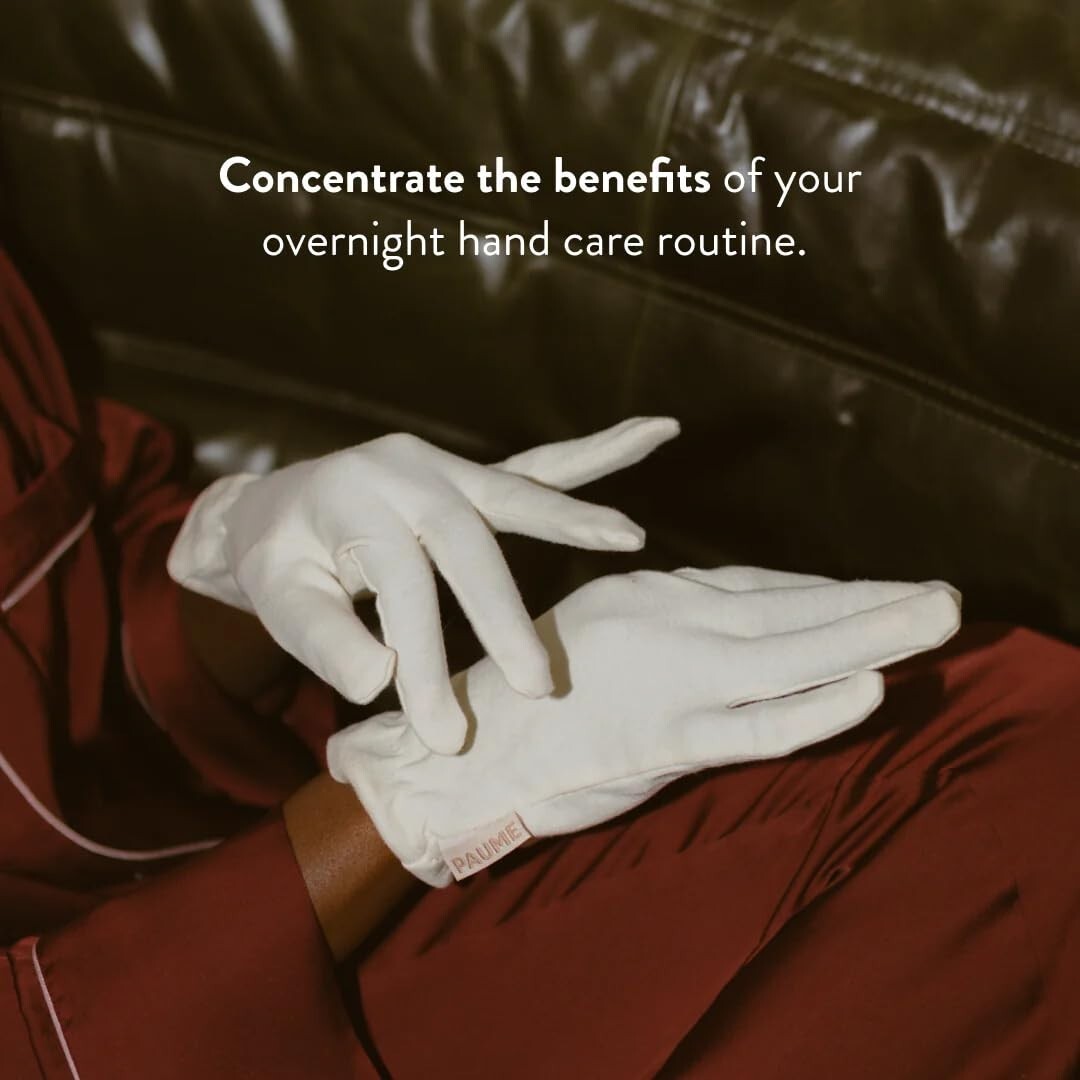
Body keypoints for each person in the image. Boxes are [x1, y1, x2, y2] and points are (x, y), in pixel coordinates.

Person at [0, 246, 1076, 1079]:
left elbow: (62, 620)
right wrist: (403, 808)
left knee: (1019, 749)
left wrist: (237, 569)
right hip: (143, 1018)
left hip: (213, 880)